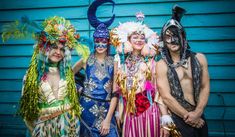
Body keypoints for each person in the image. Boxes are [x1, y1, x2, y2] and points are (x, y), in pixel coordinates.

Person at [2, 16, 90, 136]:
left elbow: (72, 101)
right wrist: (36, 132)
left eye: (62, 49)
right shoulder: (32, 75)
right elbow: (27, 113)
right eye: (54, 47)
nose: (58, 52)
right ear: (44, 48)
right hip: (44, 129)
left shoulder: (67, 73)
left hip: (68, 128)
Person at [110, 12, 173, 137]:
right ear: (128, 39)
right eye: (135, 37)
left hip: (149, 111)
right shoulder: (121, 61)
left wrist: (164, 116)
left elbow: (154, 89)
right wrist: (118, 111)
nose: (139, 40)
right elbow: (118, 91)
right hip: (129, 112)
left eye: (142, 37)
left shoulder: (151, 62)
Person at [156, 5, 210, 137]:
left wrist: (197, 113)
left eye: (176, 35)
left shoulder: (200, 58)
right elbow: (166, 97)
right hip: (178, 119)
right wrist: (189, 117)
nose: (172, 40)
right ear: (163, 41)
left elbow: (205, 87)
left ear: (183, 37)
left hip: (199, 115)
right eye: (168, 36)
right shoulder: (161, 65)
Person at [73, 0, 119, 136]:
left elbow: (115, 93)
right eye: (97, 41)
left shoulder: (114, 62)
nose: (100, 45)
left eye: (103, 42)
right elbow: (68, 75)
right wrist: (78, 87)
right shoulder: (85, 59)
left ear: (108, 43)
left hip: (106, 110)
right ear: (94, 41)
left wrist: (108, 119)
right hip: (85, 109)